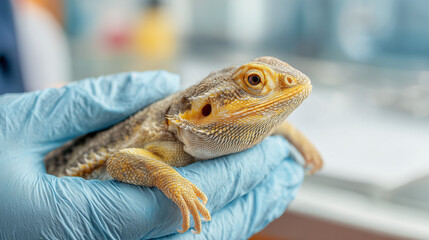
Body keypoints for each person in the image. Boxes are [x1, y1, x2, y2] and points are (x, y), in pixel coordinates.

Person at [0, 1, 304, 239]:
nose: (288, 86)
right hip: (55, 179)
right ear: (206, 109)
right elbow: (121, 161)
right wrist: (170, 180)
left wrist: (279, 125)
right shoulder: (169, 142)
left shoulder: (32, 29)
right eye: (254, 81)